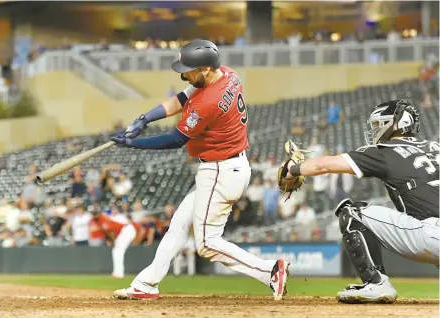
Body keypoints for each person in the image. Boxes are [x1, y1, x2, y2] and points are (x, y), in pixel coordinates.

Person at [111, 39, 288, 301]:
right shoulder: (226, 74)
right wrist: (145, 118)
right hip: (225, 167)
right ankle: (146, 284)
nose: (184, 74)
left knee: (206, 244)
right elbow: (182, 98)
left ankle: (269, 270)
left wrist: (134, 144)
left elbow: (176, 140)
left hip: (221, 171)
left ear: (205, 68)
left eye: (189, 69)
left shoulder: (210, 101)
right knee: (179, 226)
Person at [282, 99, 439, 304]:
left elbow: (323, 165)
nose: (374, 131)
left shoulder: (385, 151)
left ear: (394, 124)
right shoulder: (435, 146)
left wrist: (291, 169)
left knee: (352, 212)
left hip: (432, 234)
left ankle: (376, 283)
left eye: (377, 125)